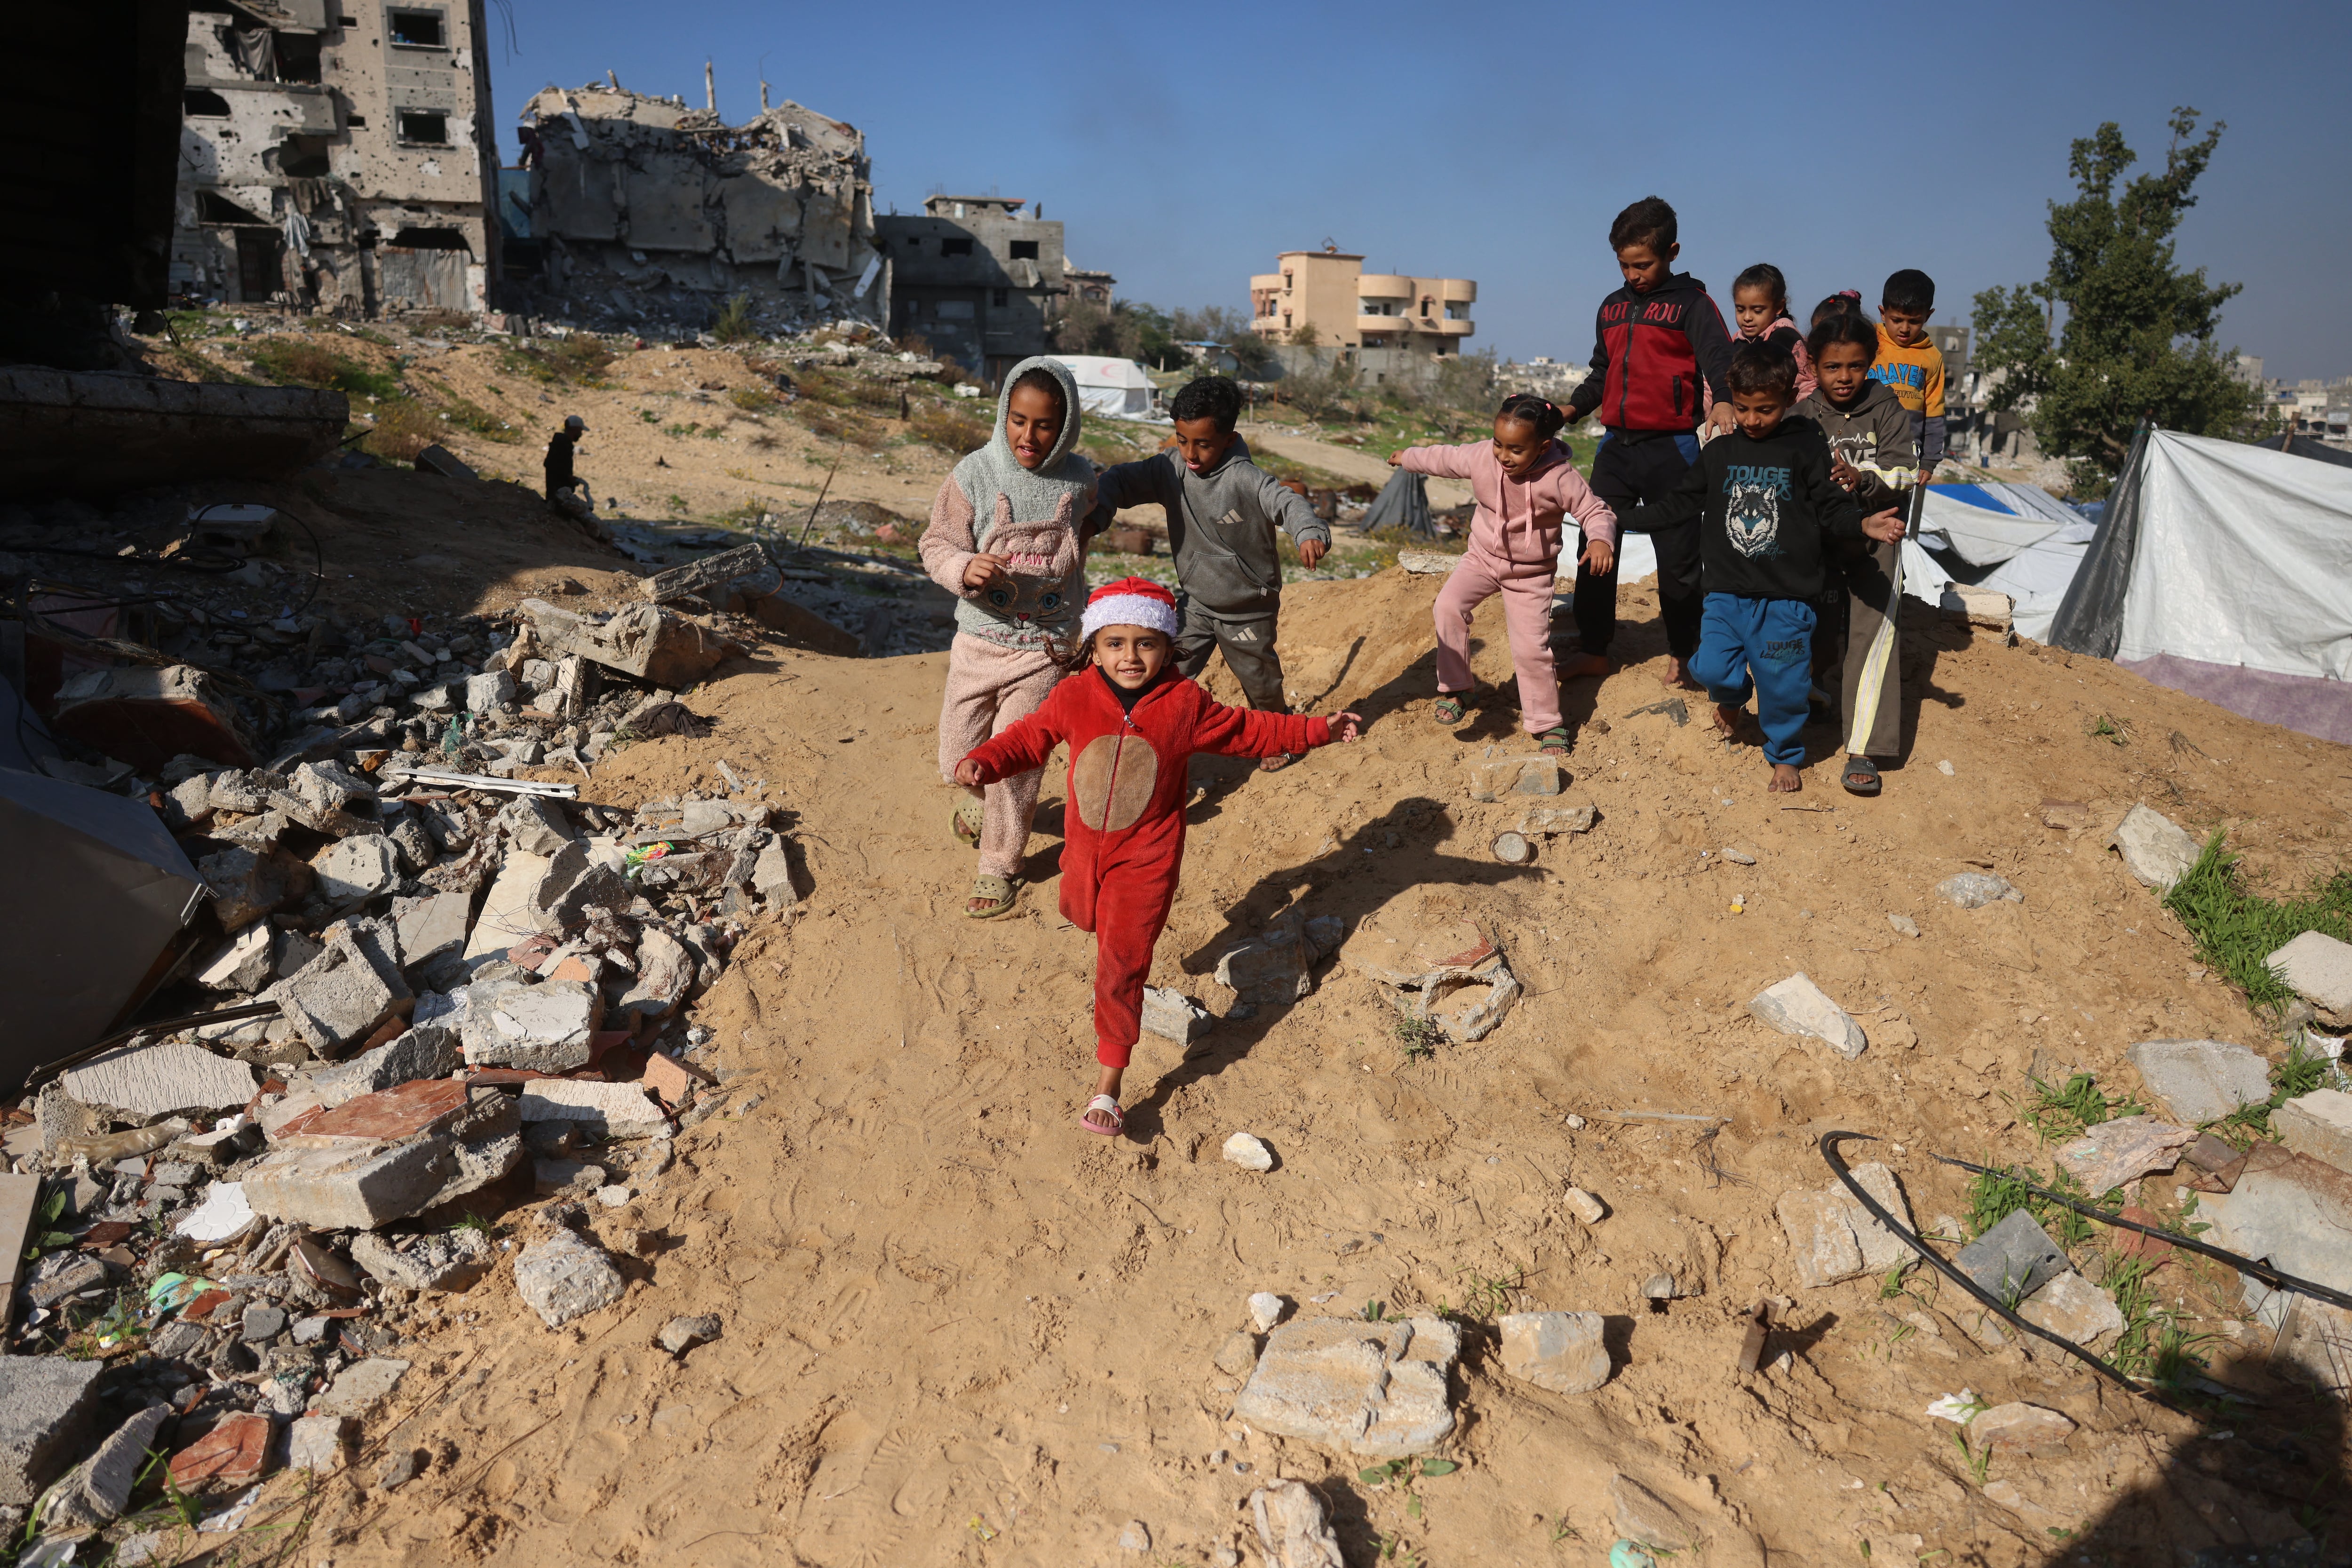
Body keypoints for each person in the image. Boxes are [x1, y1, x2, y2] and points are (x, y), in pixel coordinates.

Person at [955, 578, 1362, 1136]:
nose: (1130, 656)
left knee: (1120, 965)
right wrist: (986, 760)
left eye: (1145, 643)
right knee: (1081, 915)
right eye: (1115, 643)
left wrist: (1317, 729)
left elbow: (1249, 729)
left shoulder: (1184, 703)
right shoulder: (1074, 695)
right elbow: (1029, 736)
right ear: (1093, 647)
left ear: (1168, 647)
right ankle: (1093, 922)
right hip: (1082, 853)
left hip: (1146, 860)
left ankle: (1109, 1086)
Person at [1621, 342, 1904, 792]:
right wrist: (1620, 518)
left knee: (1784, 685)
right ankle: (1732, 698)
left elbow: (1830, 508)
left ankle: (1786, 754)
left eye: (1767, 410)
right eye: (1747, 409)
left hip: (1787, 600)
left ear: (1789, 399)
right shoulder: (1718, 454)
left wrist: (1862, 522)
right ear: (1731, 397)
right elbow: (1679, 504)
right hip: (1725, 595)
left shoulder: (1804, 449)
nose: (1754, 420)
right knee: (1711, 668)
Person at [918, 356, 1097, 919]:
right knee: (957, 757)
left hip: (1044, 647)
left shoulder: (1082, 482)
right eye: (1019, 420)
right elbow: (936, 543)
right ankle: (984, 799)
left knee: (1016, 757)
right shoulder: (974, 474)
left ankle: (999, 864)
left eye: (1044, 425)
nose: (1029, 435)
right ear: (1003, 415)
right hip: (978, 641)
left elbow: (1090, 535)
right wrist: (962, 567)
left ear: (1064, 425)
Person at [1088, 375, 1331, 771]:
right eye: (1182, 440)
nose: (1191, 454)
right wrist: (1097, 512)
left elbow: (1287, 501)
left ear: (1229, 439)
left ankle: (1281, 733)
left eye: (1203, 443)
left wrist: (1308, 532)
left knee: (1260, 682)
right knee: (1164, 669)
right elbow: (1120, 480)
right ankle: (1145, 734)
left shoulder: (1244, 478)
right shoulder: (1170, 469)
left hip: (1248, 608)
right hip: (1197, 604)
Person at [1560, 196, 1739, 689]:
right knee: (1594, 543)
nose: (1634, 274)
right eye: (1624, 264)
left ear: (1672, 252)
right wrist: (1568, 411)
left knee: (1679, 560)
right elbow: (1600, 374)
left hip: (1672, 448)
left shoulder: (1693, 305)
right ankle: (1593, 648)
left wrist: (1722, 400)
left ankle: (1685, 655)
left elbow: (1718, 360)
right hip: (1615, 448)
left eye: (1644, 264)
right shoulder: (1612, 307)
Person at [1388, 395, 1616, 754]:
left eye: (1515, 449)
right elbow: (1446, 457)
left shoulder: (1559, 477)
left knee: (1530, 649)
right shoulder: (1483, 456)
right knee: (1447, 606)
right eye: (1498, 444)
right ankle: (1457, 687)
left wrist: (1601, 539)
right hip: (1481, 557)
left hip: (1530, 574)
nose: (1503, 456)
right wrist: (1410, 458)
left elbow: (1594, 510)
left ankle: (1546, 723)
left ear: (1543, 447)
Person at [1797, 310, 1920, 796]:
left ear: (1869, 364)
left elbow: (1905, 472)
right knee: (1818, 634)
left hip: (1878, 540)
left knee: (1871, 639)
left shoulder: (1886, 407)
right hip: (1822, 541)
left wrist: (1863, 479)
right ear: (1814, 366)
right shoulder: (1803, 417)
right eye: (1832, 368)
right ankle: (1811, 699)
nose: (1843, 378)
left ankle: (1861, 748)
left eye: (1853, 366)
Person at [1870, 269, 1947, 476]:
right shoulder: (1867, 340)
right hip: (1861, 447)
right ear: (1883, 313)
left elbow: (1934, 412)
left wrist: (1929, 460)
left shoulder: (1932, 357)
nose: (1905, 329)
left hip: (1905, 456)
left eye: (1914, 322)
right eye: (1896, 320)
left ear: (1928, 316)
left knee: (1896, 507)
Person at [1730, 263, 1813, 401]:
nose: (1747, 318)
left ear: (1779, 307)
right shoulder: (1737, 341)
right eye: (1740, 310)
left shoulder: (1786, 338)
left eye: (1757, 311)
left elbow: (1808, 387)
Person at [544, 414, 592, 517]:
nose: (580, 434)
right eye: (580, 431)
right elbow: (557, 467)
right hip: (557, 495)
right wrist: (568, 478)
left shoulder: (561, 443)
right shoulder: (563, 445)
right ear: (574, 429)